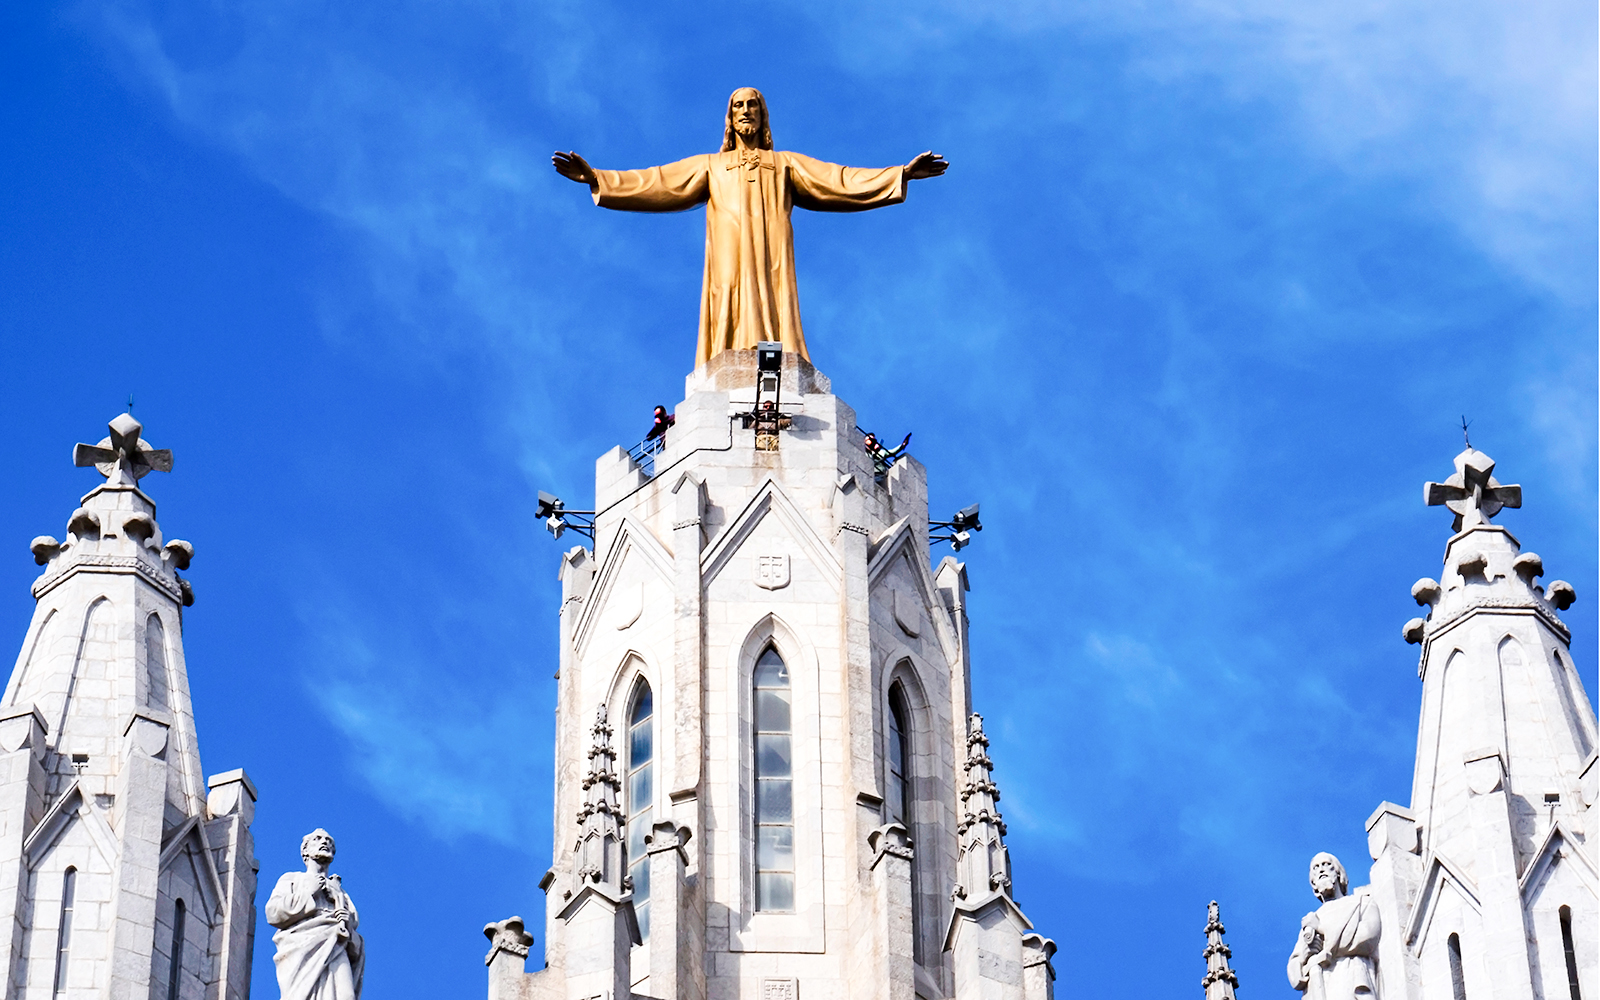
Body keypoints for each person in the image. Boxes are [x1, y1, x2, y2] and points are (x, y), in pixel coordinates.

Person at [553, 88, 947, 366]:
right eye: (738, 106)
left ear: (763, 115)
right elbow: (657, 181)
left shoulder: (785, 164)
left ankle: (779, 357)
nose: (745, 111)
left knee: (773, 295)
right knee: (728, 295)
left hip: (771, 249)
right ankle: (723, 358)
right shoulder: (711, 165)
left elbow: (839, 180)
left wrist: (901, 174)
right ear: (729, 117)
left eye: (753, 105)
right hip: (728, 251)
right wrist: (598, 179)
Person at [266, 829, 365, 1000]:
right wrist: (309, 893)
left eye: (329, 841)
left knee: (346, 996)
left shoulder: (341, 892)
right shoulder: (292, 879)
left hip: (335, 945)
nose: (324, 842)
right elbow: (273, 913)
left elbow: (354, 938)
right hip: (301, 948)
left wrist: (345, 920)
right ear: (305, 850)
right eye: (317, 839)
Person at [1287, 853, 1380, 1000]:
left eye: (1326, 865)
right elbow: (1294, 967)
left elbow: (1368, 938)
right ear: (1313, 883)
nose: (1321, 870)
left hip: (1351, 976)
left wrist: (1323, 930)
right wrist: (1306, 954)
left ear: (1338, 873)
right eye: (1316, 868)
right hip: (1319, 985)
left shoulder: (1362, 903)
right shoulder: (1312, 919)